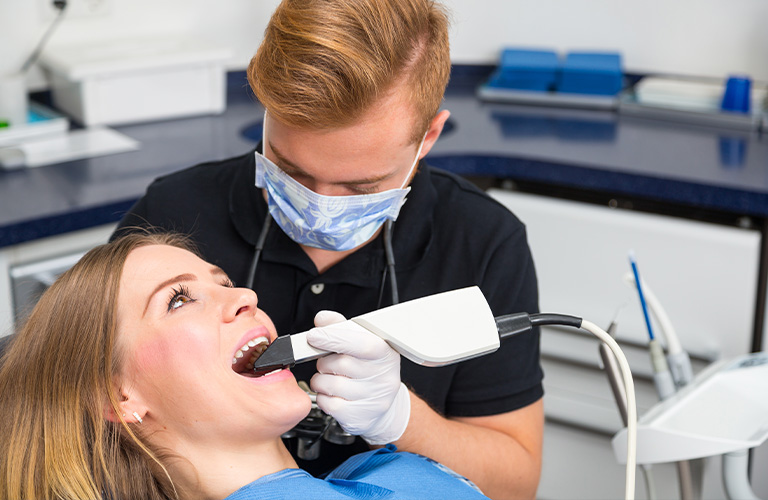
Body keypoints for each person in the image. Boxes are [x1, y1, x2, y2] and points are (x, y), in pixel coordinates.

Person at [114, 0, 543, 498]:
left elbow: (515, 485)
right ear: (266, 107)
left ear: (428, 136)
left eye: (361, 187)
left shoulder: (483, 240)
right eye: (291, 171)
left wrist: (400, 417)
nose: (319, 206)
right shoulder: (172, 214)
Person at [0, 232, 491, 500]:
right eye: (177, 299)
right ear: (117, 397)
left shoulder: (385, 469)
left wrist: (399, 417)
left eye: (225, 281)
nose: (245, 296)